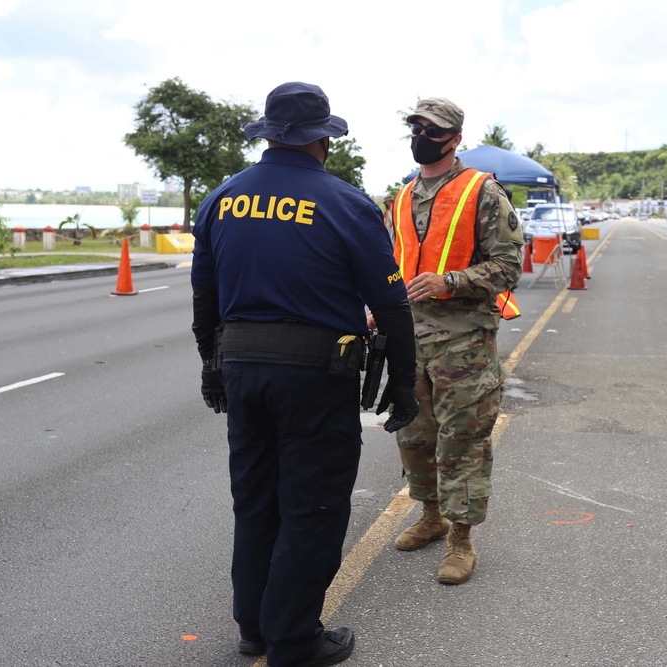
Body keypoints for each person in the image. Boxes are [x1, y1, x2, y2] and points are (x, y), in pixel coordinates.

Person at [191, 81, 419, 667]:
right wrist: (402, 379)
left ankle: (254, 628)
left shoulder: (222, 199)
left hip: (242, 369)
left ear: (268, 136)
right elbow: (390, 304)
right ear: (325, 140)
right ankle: (293, 638)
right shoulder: (347, 204)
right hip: (316, 378)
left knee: (256, 499)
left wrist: (211, 367)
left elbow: (204, 297)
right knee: (312, 506)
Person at [388, 97, 523, 585]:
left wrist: (452, 281)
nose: (421, 134)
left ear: (454, 139)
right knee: (414, 435)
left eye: (431, 128)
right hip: (410, 339)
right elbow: (391, 264)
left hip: (463, 343)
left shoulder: (482, 193)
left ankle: (461, 540)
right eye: (416, 126)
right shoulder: (401, 197)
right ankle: (430, 515)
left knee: (462, 441)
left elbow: (510, 266)